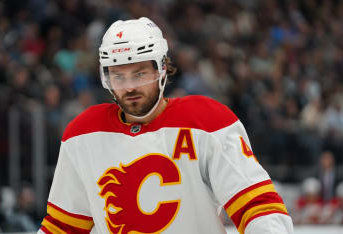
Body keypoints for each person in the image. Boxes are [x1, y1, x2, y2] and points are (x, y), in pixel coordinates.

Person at [39, 17, 294, 234]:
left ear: (162, 69)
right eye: (118, 76)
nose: (129, 87)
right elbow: (62, 227)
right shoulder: (83, 135)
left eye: (140, 74)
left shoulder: (207, 122)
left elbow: (258, 207)